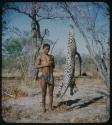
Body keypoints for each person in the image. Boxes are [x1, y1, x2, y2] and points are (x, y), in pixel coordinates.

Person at [36, 43, 55, 113]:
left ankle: (50, 107)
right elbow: (36, 66)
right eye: (46, 49)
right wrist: (45, 64)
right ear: (43, 49)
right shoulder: (40, 56)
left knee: (51, 93)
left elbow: (54, 66)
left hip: (51, 76)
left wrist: (51, 63)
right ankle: (43, 107)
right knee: (43, 93)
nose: (48, 50)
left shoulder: (52, 57)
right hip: (43, 77)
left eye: (48, 49)